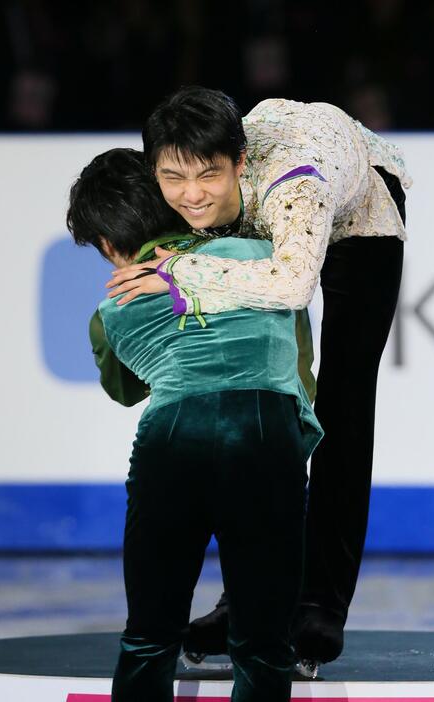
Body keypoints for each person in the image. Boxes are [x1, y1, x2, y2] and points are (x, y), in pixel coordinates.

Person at [107, 86, 410, 670]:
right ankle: (244, 598)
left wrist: (178, 270)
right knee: (269, 387)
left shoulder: (294, 186)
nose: (191, 195)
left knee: (341, 402)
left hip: (361, 201)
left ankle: (320, 604)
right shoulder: (181, 181)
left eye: (208, 177)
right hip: (262, 205)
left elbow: (292, 282)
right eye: (174, 178)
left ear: (239, 164)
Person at [67, 146, 323, 702]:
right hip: (266, 435)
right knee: (262, 643)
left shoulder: (112, 310)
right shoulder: (262, 257)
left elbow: (125, 389)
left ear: (109, 244)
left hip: (171, 444)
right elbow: (301, 370)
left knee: (149, 636)